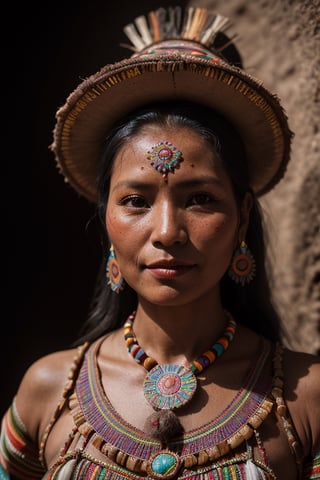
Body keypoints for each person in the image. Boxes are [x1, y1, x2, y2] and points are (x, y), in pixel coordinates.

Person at [1, 6, 319, 480]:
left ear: (243, 216)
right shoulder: (46, 392)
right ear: (105, 217)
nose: (167, 231)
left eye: (200, 199)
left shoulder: (307, 397)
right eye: (135, 200)